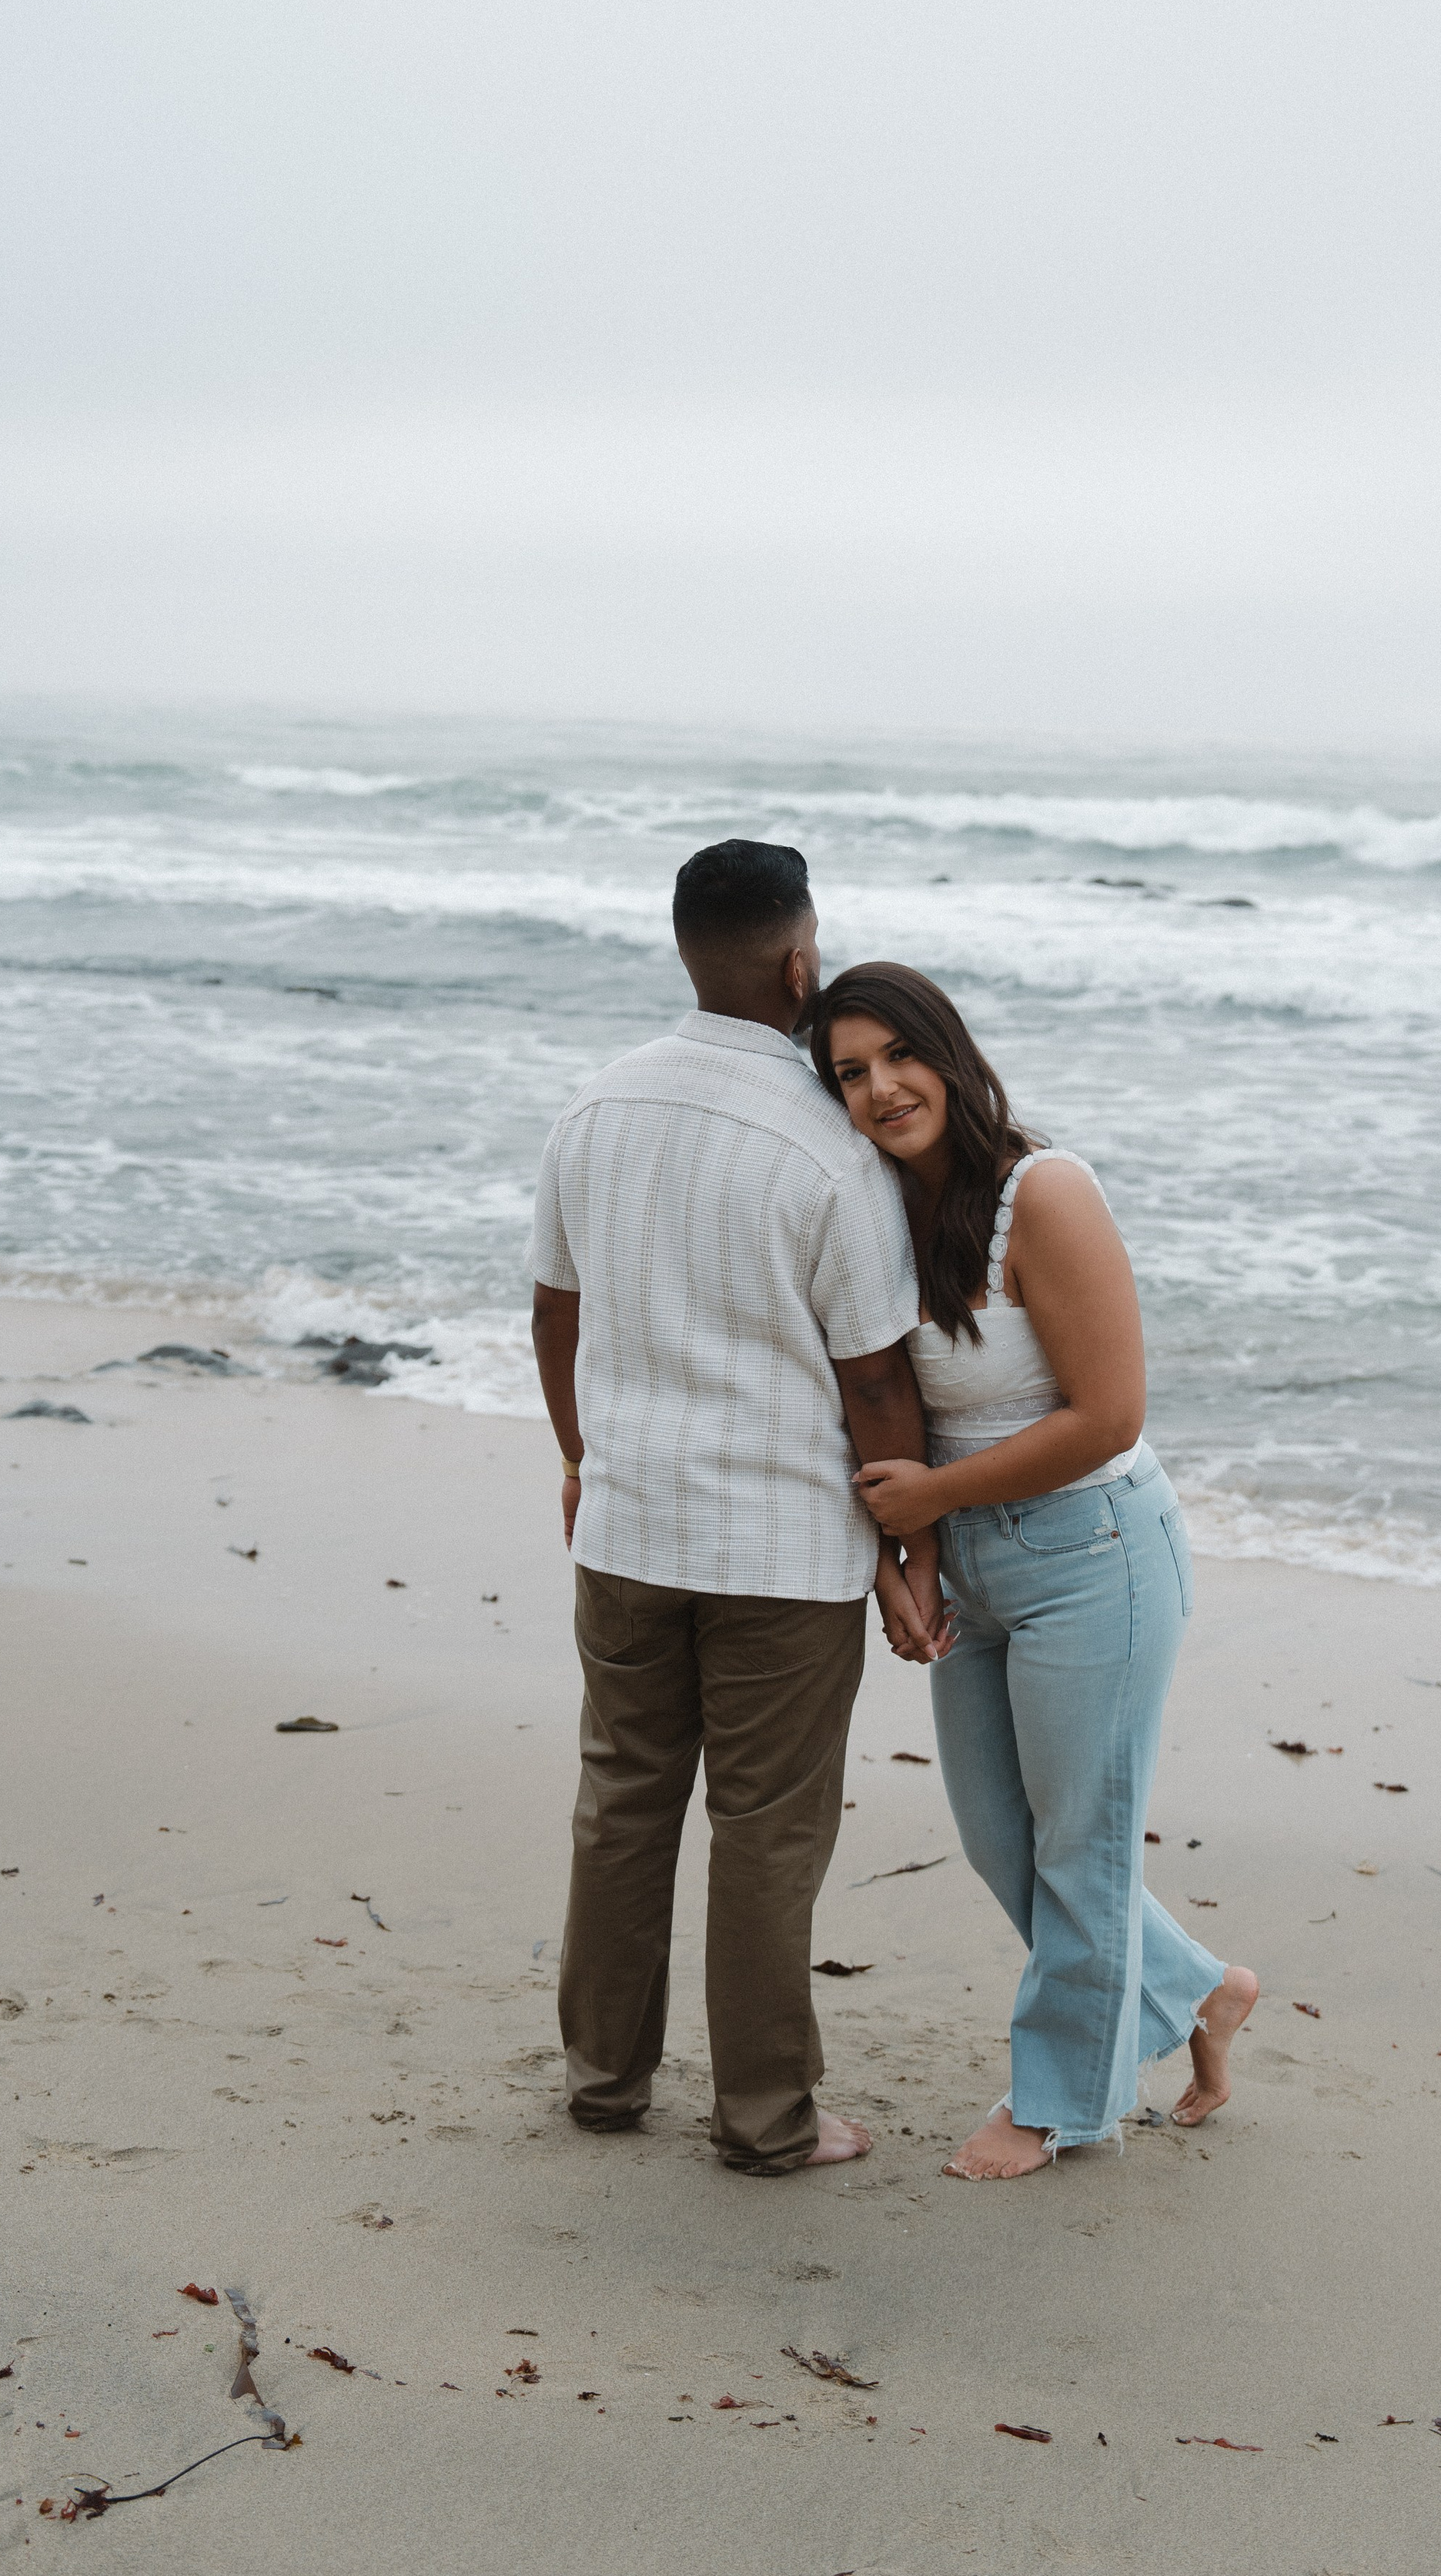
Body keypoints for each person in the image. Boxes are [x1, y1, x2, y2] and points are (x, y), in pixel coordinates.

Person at [527, 843, 947, 2176]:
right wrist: (911, 1546)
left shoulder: (596, 1105)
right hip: (779, 1544)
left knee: (623, 1801)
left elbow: (556, 1309)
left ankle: (603, 2081)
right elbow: (877, 1376)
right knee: (768, 1832)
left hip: (632, 1522)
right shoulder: (831, 1149)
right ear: (800, 963)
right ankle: (766, 2120)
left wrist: (583, 1454)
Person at [810, 961, 1259, 2183]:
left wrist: (937, 1503)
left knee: (1082, 1846)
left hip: (1093, 1553)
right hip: (974, 1566)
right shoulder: (877, 1213)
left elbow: (1109, 1413)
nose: (880, 1088)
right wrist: (913, 1557)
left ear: (944, 1051)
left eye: (896, 1055)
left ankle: (1060, 2103)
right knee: (1004, 1841)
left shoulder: (1042, 1193)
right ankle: (1203, 1992)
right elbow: (884, 1401)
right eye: (849, 1072)